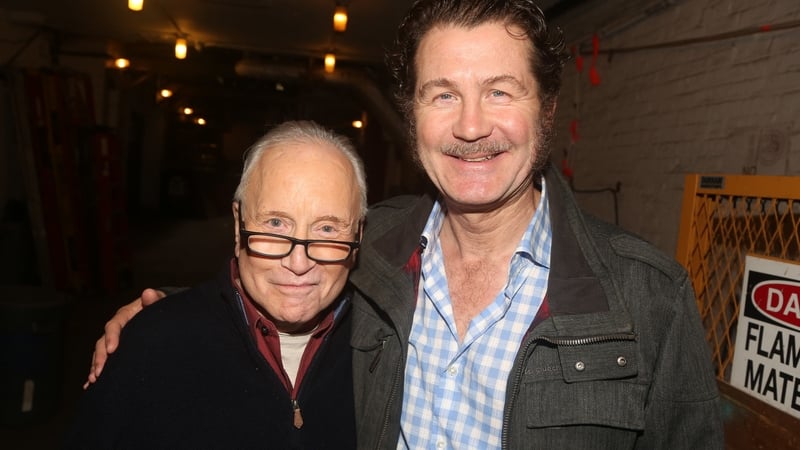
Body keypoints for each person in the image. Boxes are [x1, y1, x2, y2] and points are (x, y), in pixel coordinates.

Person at [87, 1, 725, 449]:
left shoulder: (649, 297)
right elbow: (289, 275)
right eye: (443, 93)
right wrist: (163, 323)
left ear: (547, 108)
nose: (471, 126)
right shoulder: (375, 248)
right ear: (412, 114)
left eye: (501, 91)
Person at [67, 120, 365, 449]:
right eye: (275, 223)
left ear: (359, 236)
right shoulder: (151, 346)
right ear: (238, 226)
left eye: (326, 229)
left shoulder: (388, 348)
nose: (298, 263)